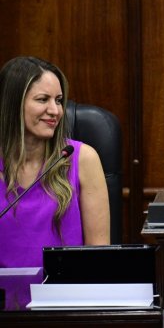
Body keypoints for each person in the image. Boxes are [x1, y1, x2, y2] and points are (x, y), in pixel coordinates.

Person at [0, 56, 110, 268]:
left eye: (58, 100)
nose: (55, 111)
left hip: (63, 298)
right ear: (12, 104)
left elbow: (99, 257)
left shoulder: (83, 159)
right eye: (43, 99)